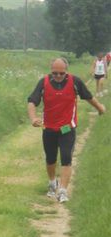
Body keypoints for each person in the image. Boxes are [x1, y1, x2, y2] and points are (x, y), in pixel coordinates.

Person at [27, 57, 105, 203]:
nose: (57, 76)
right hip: (48, 127)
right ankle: (52, 183)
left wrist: (100, 108)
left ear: (66, 72)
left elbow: (88, 97)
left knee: (66, 157)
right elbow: (32, 101)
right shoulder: (43, 83)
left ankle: (62, 191)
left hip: (66, 128)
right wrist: (33, 118)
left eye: (61, 73)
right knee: (50, 158)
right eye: (54, 73)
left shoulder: (75, 82)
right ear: (51, 72)